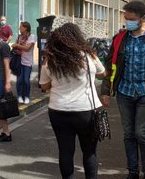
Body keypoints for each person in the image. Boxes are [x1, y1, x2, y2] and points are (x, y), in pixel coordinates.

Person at [100, 1, 145, 179]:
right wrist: (105, 90)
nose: (127, 22)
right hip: (124, 92)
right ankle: (133, 171)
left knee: (142, 133)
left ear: (143, 17)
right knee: (128, 134)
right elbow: (110, 65)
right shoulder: (120, 38)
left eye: (131, 18)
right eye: (126, 18)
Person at [40, 23, 106, 179]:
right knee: (89, 151)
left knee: (65, 151)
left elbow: (43, 85)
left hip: (58, 110)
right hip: (86, 110)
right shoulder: (88, 56)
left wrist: (57, 81)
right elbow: (103, 73)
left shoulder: (50, 60)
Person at [12, 21, 35, 104]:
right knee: (19, 80)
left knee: (26, 80)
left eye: (21, 27)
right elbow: (14, 46)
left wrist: (17, 45)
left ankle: (26, 96)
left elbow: (27, 48)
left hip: (28, 62)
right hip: (19, 61)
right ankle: (19, 96)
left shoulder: (32, 37)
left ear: (25, 28)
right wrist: (16, 45)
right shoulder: (19, 36)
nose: (19, 28)